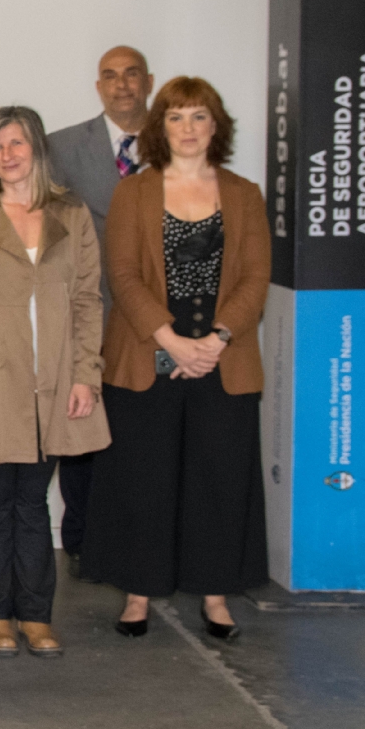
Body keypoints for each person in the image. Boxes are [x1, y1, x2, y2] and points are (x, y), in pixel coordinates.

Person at [82, 77, 270, 641]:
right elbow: (122, 275)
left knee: (219, 481)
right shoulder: (133, 192)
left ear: (217, 126)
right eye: (176, 117)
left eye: (199, 116)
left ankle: (215, 595)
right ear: (159, 127)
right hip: (148, 353)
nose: (188, 128)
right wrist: (172, 340)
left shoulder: (244, 194)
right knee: (145, 481)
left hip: (223, 358)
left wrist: (216, 339)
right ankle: (138, 593)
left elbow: (256, 277)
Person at [0, 107, 110, 659]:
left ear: (37, 147)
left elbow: (88, 301)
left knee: (34, 501)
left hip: (55, 382)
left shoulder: (72, 213)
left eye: (16, 143)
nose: (7, 155)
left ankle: (36, 614)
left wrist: (86, 375)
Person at [47, 46, 153, 578]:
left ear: (148, 82)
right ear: (98, 86)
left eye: (131, 74)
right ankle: (83, 540)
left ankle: (144, 537)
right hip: (86, 311)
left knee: (144, 434)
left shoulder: (177, 141)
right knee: (82, 428)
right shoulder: (61, 147)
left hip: (156, 320)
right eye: (110, 76)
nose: (122, 84)